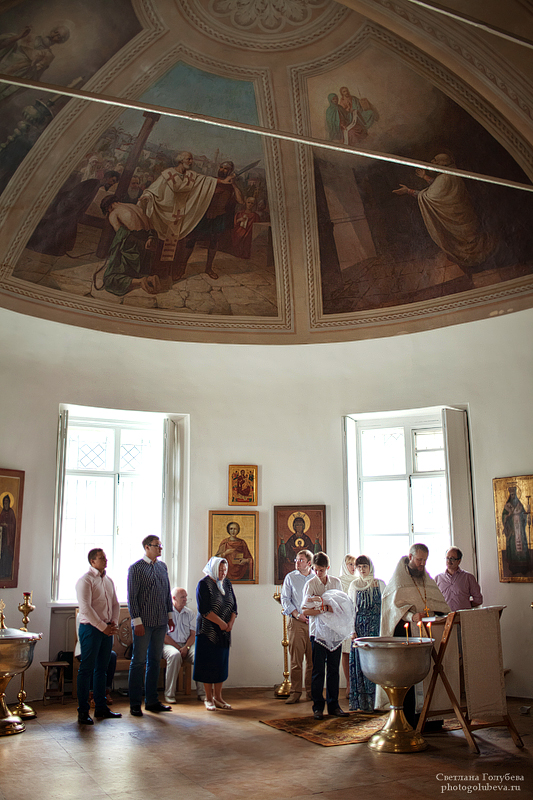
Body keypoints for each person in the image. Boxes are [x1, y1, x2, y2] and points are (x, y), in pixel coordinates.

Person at [380, 543, 450, 725]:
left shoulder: (427, 579)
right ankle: (409, 720)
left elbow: (440, 605)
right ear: (410, 557)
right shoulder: (398, 581)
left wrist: (435, 614)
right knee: (409, 676)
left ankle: (431, 719)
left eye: (425, 560)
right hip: (407, 636)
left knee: (430, 673)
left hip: (428, 634)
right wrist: (412, 616)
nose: (422, 564)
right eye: (419, 560)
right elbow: (393, 610)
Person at [392, 153, 494, 269]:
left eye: (435, 160)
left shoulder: (444, 178)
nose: (432, 161)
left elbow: (428, 197)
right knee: (472, 239)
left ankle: (473, 259)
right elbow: (438, 187)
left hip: (457, 220)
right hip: (463, 215)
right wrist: (425, 177)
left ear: (443, 164)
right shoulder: (450, 174)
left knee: (467, 244)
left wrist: (407, 191)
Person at [127, 535, 174, 717]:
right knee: (138, 662)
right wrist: (136, 621)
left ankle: (152, 701)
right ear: (147, 547)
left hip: (161, 621)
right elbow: (132, 597)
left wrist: (170, 616)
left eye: (160, 545)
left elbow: (167, 593)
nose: (160, 548)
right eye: (157, 546)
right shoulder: (136, 568)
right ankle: (134, 703)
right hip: (144, 623)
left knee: (154, 661)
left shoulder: (162, 567)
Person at [75, 548, 121, 724]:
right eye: (102, 558)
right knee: (86, 669)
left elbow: (115, 604)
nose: (105, 560)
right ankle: (83, 711)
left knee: (102, 669)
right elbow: (86, 608)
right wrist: (103, 627)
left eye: (105, 558)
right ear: (92, 561)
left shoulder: (108, 580)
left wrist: (113, 623)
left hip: (107, 629)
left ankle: (101, 707)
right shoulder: (85, 581)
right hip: (91, 629)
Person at [302, 551, 350, 720]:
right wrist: (323, 608)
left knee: (333, 671)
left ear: (327, 568)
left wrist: (327, 607)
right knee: (318, 671)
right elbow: (305, 610)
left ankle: (334, 705)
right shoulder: (310, 584)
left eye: (321, 570)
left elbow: (342, 606)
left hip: (334, 632)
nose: (318, 573)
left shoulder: (336, 582)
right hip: (318, 633)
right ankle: (317, 707)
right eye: (315, 570)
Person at [180, 160, 244, 279]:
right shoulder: (212, 181)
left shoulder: (231, 186)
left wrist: (234, 184)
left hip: (219, 217)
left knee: (214, 242)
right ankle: (182, 268)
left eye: (226, 168)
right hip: (203, 215)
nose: (222, 170)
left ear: (230, 171)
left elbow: (240, 201)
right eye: (221, 167)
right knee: (191, 240)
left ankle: (208, 268)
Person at [193, 556, 237, 711]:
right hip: (207, 632)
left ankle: (218, 698)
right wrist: (221, 623)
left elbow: (234, 607)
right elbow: (204, 610)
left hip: (224, 632)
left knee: (220, 665)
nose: (223, 573)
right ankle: (208, 698)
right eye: (220, 570)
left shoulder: (227, 584)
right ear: (213, 569)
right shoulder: (204, 584)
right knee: (208, 665)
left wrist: (230, 623)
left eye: (225, 570)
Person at [95, 196, 160, 296]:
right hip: (148, 246)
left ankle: (141, 281)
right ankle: (149, 278)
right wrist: (150, 239)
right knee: (133, 271)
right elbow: (151, 228)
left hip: (134, 246)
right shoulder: (135, 207)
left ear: (108, 208)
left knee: (109, 279)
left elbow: (122, 236)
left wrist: (113, 254)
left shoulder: (114, 214)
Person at [348, 555, 385, 712]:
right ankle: (363, 703)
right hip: (360, 628)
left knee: (376, 664)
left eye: (364, 566)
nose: (362, 570)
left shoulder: (380, 584)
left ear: (370, 567)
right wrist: (352, 630)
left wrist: (385, 630)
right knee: (361, 664)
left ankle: (378, 702)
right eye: (359, 567)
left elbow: (385, 608)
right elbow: (351, 609)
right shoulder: (354, 585)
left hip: (376, 628)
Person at [0, 25, 70, 103]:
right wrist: (18, 37)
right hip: (4, 64)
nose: (54, 36)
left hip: (14, 76)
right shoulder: (30, 36)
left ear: (60, 41)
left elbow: (34, 78)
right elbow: (3, 44)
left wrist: (34, 63)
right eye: (55, 32)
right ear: (52, 30)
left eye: (58, 37)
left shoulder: (48, 56)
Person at [280, 549, 314, 704]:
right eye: (296, 559)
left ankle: (312, 692)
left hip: (314, 623)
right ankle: (295, 692)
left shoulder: (315, 577)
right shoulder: (291, 577)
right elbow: (285, 599)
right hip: (297, 622)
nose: (297, 562)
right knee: (296, 660)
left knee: (313, 661)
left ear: (309, 563)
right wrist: (297, 614)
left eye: (301, 560)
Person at [162, 586, 205, 703]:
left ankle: (202, 693)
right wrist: (179, 648)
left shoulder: (190, 613)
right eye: (182, 597)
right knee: (174, 655)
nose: (185, 599)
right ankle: (169, 695)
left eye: (186, 597)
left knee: (200, 656)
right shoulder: (166, 613)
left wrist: (186, 647)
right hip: (170, 645)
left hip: (187, 645)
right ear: (174, 598)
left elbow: (193, 635)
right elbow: (164, 637)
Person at [338, 554, 358, 698]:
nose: (353, 567)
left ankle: (358, 684)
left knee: (357, 651)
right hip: (344, 620)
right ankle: (349, 684)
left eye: (355, 565)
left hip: (357, 619)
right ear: (345, 566)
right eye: (350, 564)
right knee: (346, 652)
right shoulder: (339, 581)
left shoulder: (358, 581)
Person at [502, 485, 530, 575]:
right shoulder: (507, 506)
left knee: (522, 548)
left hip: (520, 531)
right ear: (510, 495)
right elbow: (503, 517)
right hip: (513, 531)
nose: (513, 496)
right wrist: (508, 515)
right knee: (513, 548)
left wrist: (526, 515)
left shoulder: (519, 505)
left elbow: (524, 515)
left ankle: (524, 568)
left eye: (514, 494)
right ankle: (514, 568)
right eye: (512, 494)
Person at [0, 493, 16, 579]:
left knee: (7, 555)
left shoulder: (11, 512)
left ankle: (7, 572)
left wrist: (7, 526)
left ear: (9, 503)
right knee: (2, 555)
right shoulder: (2, 512)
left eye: (7, 502)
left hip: (9, 539)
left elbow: (13, 524)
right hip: (2, 538)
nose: (5, 504)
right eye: (4, 502)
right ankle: (2, 572)